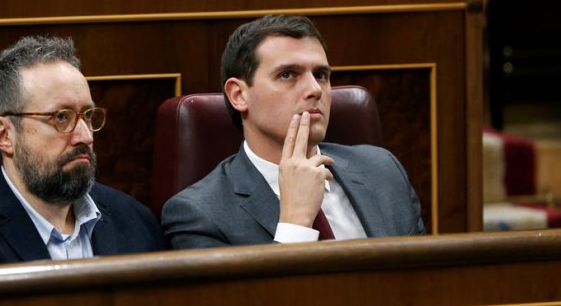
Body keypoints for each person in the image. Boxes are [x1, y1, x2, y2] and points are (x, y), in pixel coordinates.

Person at [161, 15, 426, 249]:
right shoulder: (199, 214)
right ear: (239, 95)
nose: (315, 89)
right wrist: (296, 223)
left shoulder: (383, 171)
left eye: (321, 75)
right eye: (288, 74)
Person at [0, 36, 165, 269]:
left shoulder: (135, 220)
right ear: (5, 135)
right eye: (61, 117)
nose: (85, 136)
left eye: (87, 116)